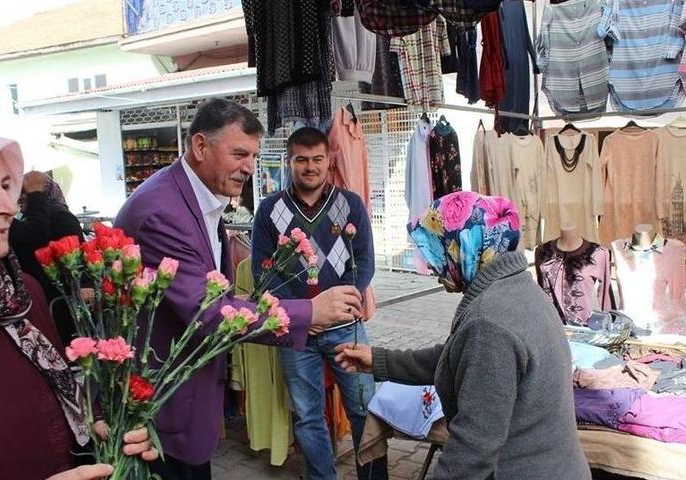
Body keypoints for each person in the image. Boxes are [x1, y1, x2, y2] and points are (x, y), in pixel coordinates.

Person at [115, 98, 363, 480]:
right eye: (239, 154)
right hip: (160, 407)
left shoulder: (199, 199)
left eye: (253, 156)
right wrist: (311, 312)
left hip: (184, 398)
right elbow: (208, 313)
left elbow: (209, 294)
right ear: (200, 146)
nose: (249, 167)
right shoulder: (165, 211)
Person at [0, 119, 156, 480]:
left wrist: (111, 432)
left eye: (7, 186)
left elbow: (52, 408)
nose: (8, 206)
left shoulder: (21, 293)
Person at [335, 192, 592, 480]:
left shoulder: (489, 321)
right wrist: (379, 361)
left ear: (464, 247)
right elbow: (457, 357)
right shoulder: (516, 286)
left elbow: (474, 444)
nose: (431, 266)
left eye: (435, 251)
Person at [251, 127, 388, 480]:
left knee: (365, 410)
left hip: (346, 328)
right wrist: (303, 316)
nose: (309, 167)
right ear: (289, 162)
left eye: (317, 160)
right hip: (295, 333)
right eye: (301, 160)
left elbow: (364, 262)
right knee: (308, 416)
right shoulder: (269, 210)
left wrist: (343, 304)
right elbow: (262, 272)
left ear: (329, 161)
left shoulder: (350, 204)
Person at [9, 170, 85, 341]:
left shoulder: (59, 217)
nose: (19, 198)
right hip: (47, 299)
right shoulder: (32, 219)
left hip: (61, 302)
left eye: (24, 193)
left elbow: (75, 259)